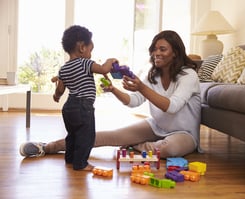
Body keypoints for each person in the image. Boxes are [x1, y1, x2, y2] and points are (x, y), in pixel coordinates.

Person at [19, 30, 202, 160]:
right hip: (156, 127)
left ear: (175, 53)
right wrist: (114, 90)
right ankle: (46, 147)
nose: (156, 53)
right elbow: (133, 102)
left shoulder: (189, 75)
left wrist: (141, 87)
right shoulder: (152, 75)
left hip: (184, 134)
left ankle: (135, 145)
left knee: (168, 149)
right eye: (154, 49)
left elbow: (172, 106)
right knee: (104, 136)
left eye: (162, 49)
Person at [30, 25, 116, 171]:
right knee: (86, 136)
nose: (91, 54)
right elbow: (103, 69)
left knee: (73, 134)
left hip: (69, 107)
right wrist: (111, 60)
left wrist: (56, 96)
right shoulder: (85, 63)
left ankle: (70, 159)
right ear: (82, 48)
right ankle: (81, 164)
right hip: (84, 107)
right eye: (90, 50)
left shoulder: (63, 69)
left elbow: (60, 89)